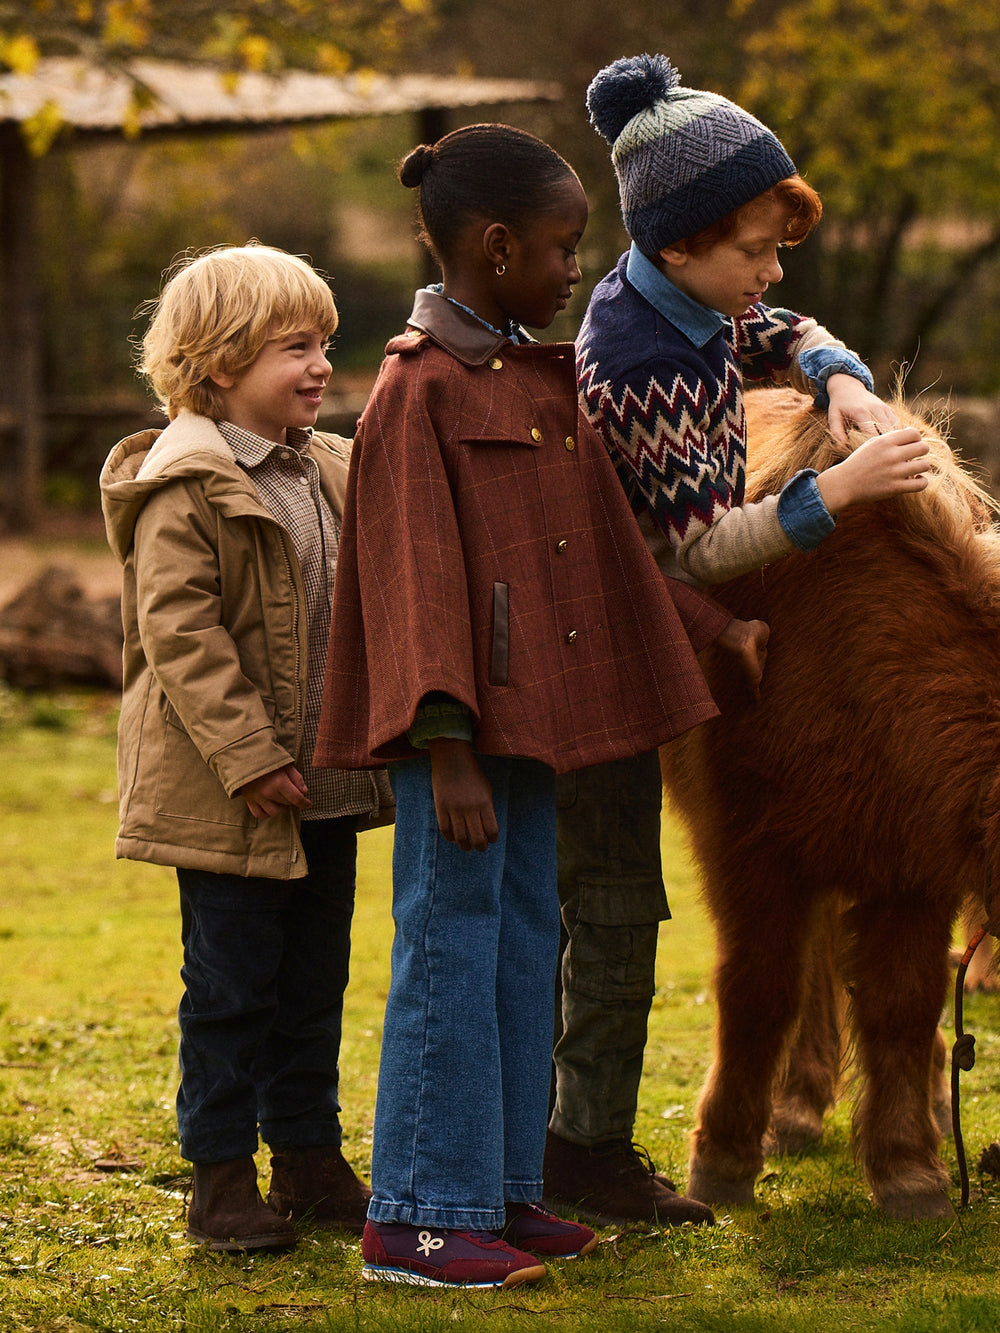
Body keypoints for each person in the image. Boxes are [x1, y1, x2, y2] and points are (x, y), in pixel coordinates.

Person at [314, 123, 755, 1289]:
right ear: (498, 246)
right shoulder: (418, 390)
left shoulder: (523, 378)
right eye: (564, 248)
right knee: (449, 950)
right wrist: (444, 745)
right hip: (456, 742)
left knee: (519, 942)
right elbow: (412, 580)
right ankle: (414, 1217)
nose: (578, 270)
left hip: (532, 730)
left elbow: (604, 550)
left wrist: (717, 629)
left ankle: (501, 1191)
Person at [544, 53, 932, 1226]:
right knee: (621, 909)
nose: (767, 274)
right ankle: (597, 1144)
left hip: (682, 587)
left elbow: (778, 324)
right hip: (631, 634)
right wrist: (847, 486)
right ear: (677, 247)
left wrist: (841, 379)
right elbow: (704, 550)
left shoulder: (692, 294)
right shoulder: (637, 364)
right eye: (754, 250)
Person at [100, 243, 392, 1252]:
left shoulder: (326, 466)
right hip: (235, 793)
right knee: (230, 988)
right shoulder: (186, 484)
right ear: (219, 363)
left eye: (326, 345)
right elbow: (181, 637)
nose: (320, 365)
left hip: (331, 783)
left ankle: (308, 1157)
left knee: (313, 984)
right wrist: (250, 755)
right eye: (294, 347)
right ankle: (220, 1176)